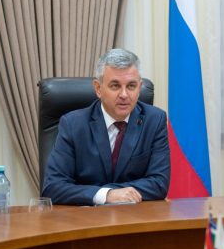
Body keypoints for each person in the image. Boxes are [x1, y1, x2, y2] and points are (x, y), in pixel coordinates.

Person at [42, 49, 170, 205]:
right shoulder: (73, 124)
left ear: (139, 88)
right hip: (85, 217)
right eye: (115, 86)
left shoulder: (155, 120)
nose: (124, 95)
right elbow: (53, 187)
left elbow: (159, 184)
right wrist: (106, 195)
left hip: (135, 216)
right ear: (98, 88)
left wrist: (112, 193)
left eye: (131, 86)